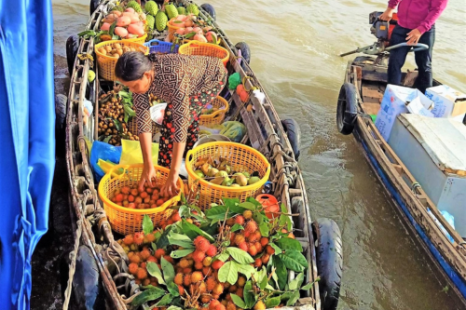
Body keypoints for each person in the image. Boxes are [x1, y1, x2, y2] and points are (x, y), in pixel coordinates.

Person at [115, 52, 227, 198]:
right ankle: (186, 153)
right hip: (189, 79)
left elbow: (179, 128)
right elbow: (143, 119)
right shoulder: (140, 75)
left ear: (148, 76)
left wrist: (172, 175)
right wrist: (147, 165)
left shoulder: (174, 77)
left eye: (134, 86)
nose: (132, 90)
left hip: (212, 79)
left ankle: (167, 171)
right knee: (185, 115)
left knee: (172, 119)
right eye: (128, 87)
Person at [380, 0, 448, 93]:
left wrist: (421, 30)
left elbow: (437, 9)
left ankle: (425, 98)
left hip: (424, 32)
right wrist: (390, 9)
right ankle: (391, 96)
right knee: (394, 63)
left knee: (424, 65)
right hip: (401, 27)